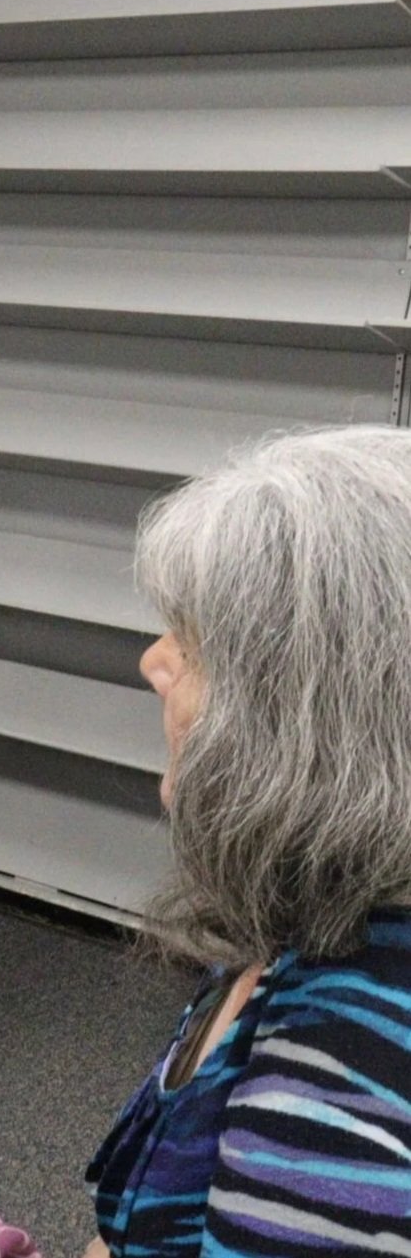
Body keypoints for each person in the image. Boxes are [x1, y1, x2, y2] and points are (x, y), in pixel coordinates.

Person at [86, 426, 411, 1256]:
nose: (153, 661)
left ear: (305, 727)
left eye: (192, 647)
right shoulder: (319, 910)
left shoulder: (329, 1111)